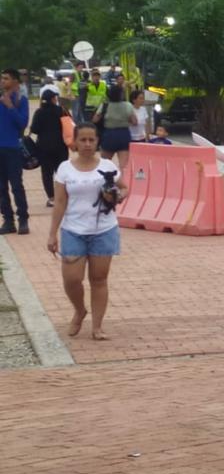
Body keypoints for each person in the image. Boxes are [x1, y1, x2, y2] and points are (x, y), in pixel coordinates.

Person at [46, 123, 128, 341]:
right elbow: (60, 202)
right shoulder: (65, 169)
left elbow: (124, 187)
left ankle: (97, 326)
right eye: (83, 140)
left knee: (99, 279)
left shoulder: (108, 165)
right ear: (75, 141)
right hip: (73, 229)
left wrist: (117, 196)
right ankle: (79, 310)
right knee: (72, 279)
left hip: (104, 229)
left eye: (92, 140)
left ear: (98, 141)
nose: (87, 144)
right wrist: (52, 233)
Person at [0, 68, 30, 234]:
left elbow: (22, 124)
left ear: (15, 82)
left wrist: (10, 107)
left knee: (16, 185)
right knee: (1, 187)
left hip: (12, 148)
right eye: (1, 78)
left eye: (6, 78)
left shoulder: (21, 100)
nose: (2, 81)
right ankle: (8, 220)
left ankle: (23, 219)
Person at [30, 90, 71, 208]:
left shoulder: (39, 112)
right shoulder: (61, 110)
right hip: (60, 146)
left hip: (43, 147)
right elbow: (70, 124)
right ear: (53, 99)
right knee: (62, 172)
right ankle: (63, 197)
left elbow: (34, 129)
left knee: (47, 173)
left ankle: (52, 198)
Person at [94, 85, 137, 170]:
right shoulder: (128, 105)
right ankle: (122, 180)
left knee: (104, 164)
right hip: (124, 135)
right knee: (124, 166)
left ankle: (106, 181)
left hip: (109, 135)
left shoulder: (105, 105)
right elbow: (134, 122)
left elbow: (95, 119)